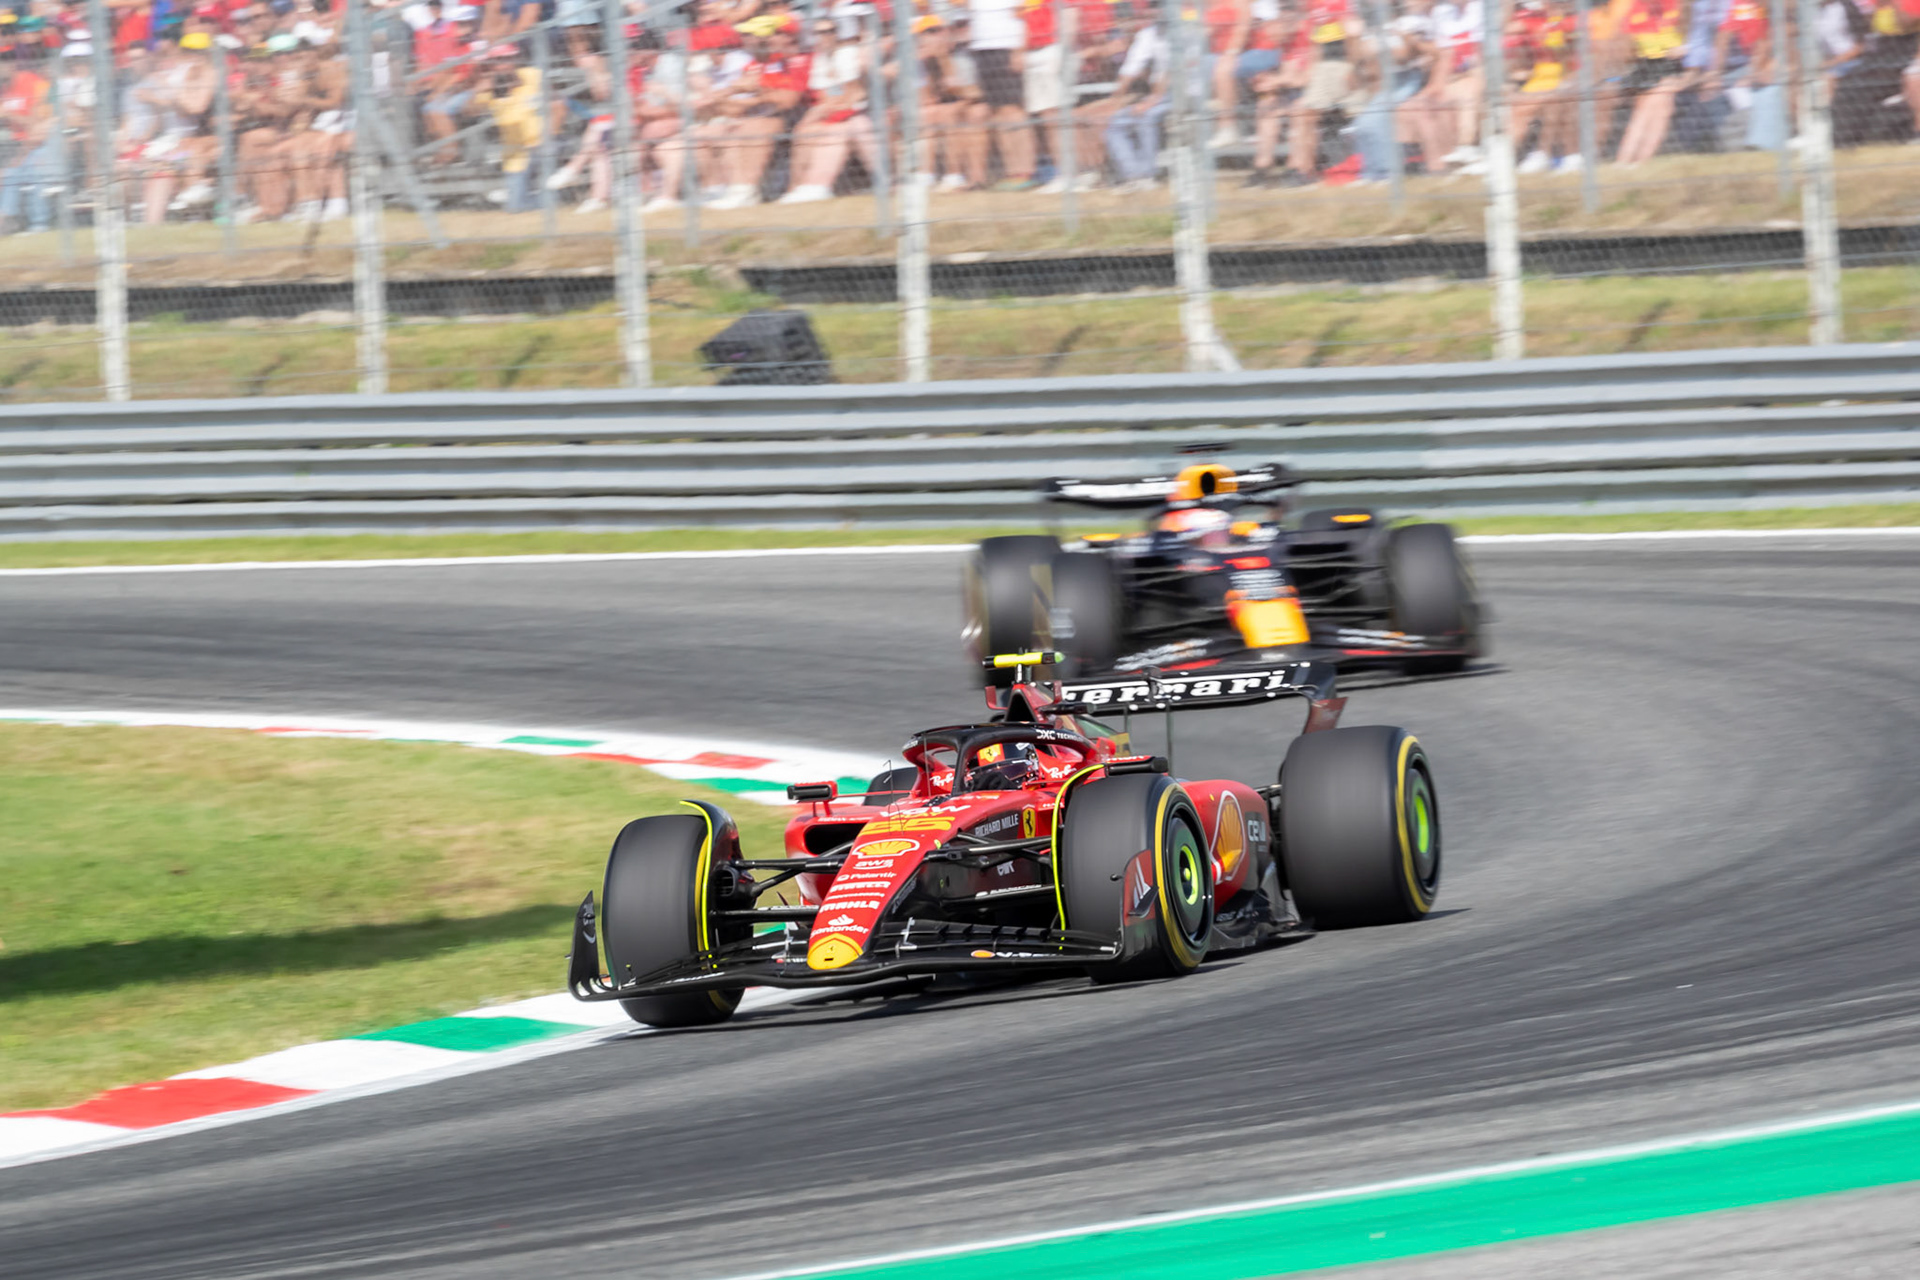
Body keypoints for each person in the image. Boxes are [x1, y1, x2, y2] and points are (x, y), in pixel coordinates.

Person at [780, 15, 870, 202]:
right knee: (803, 130)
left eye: (829, 31)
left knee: (834, 129)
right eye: (820, 32)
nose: (825, 36)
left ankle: (817, 185)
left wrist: (825, 109)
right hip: (837, 110)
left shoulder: (846, 53)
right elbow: (824, 96)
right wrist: (822, 111)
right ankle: (796, 187)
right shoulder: (820, 59)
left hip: (856, 111)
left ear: (836, 33)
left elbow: (855, 94)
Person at [969, 0, 1037, 189]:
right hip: (983, 51)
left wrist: (1019, 50)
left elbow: (1024, 15)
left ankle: (1025, 170)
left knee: (1013, 110)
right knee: (998, 111)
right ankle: (1012, 172)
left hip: (1006, 47)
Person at [1613, 0, 1690, 165]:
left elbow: (1684, 28)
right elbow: (1628, 42)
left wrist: (1681, 47)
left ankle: (1634, 161)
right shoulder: (1637, 7)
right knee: (1647, 112)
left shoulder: (1675, 5)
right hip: (1649, 63)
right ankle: (1628, 160)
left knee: (1660, 111)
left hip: (1669, 63)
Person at [1104, 6, 1170, 191]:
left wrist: (1153, 100)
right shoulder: (1148, 34)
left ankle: (1148, 176)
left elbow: (1175, 70)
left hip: (1183, 94)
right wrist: (1115, 101)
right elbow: (1130, 68)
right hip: (1158, 94)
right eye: (1153, 8)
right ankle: (1134, 176)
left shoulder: (1185, 31)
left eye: (1160, 7)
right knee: (1115, 123)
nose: (1156, 12)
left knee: (1146, 117)